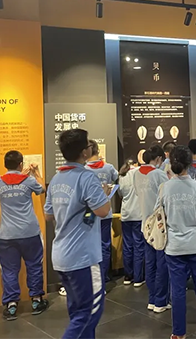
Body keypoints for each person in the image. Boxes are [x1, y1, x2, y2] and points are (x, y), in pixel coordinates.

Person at [44, 129, 111, 339]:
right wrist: (104, 195)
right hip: (83, 257)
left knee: (77, 311)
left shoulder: (56, 179)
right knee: (89, 312)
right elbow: (103, 210)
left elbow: (48, 215)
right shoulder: (86, 177)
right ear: (84, 152)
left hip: (61, 255)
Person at [157, 145, 196, 339]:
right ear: (189, 164)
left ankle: (178, 333)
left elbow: (159, 214)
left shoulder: (165, 187)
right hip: (195, 244)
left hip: (174, 246)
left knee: (177, 290)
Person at [0, 151, 49, 320]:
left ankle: (11, 306)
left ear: (5, 164)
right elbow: (42, 189)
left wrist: (20, 174)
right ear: (20, 164)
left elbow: (11, 180)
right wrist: (36, 173)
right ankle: (36, 300)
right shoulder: (29, 181)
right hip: (30, 232)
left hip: (6, 235)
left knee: (9, 270)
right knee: (34, 266)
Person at [133, 144, 171, 312]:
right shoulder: (158, 174)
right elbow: (167, 195)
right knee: (161, 263)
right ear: (159, 159)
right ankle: (161, 301)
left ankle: (152, 299)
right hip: (159, 224)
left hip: (145, 223)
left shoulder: (136, 174)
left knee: (150, 263)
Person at [85, 140, 119, 281]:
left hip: (89, 213)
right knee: (105, 245)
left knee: (90, 246)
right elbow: (117, 179)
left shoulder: (84, 170)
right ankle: (103, 277)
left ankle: (93, 278)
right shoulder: (108, 167)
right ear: (98, 151)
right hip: (106, 212)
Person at [119, 159, 146, 287]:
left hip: (125, 214)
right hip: (138, 214)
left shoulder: (121, 175)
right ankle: (138, 277)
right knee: (138, 246)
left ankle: (127, 276)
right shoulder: (138, 173)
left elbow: (120, 194)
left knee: (127, 246)